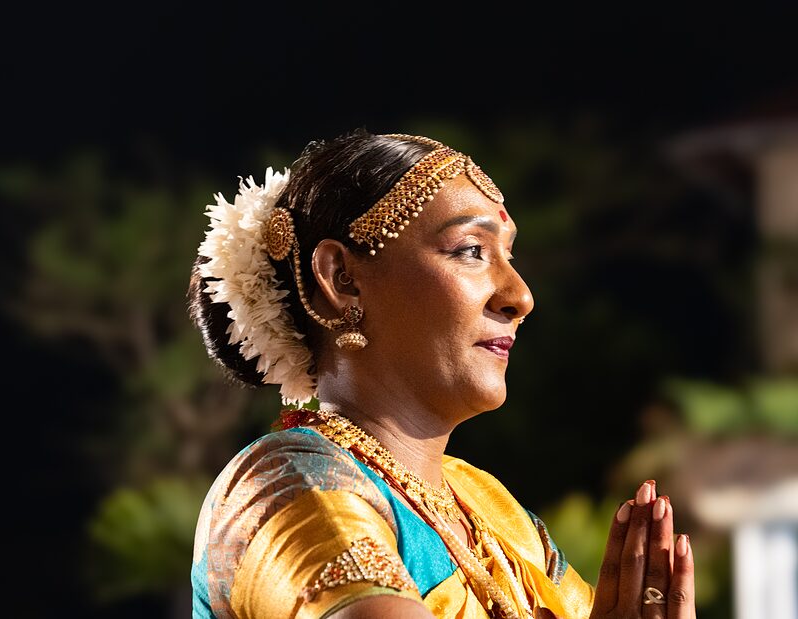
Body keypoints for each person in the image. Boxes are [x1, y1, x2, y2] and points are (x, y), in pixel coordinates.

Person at [187, 130, 696, 619]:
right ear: (343, 280)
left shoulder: (491, 508)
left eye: (508, 255)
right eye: (471, 250)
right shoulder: (291, 481)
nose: (520, 297)